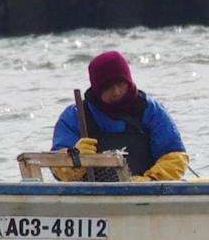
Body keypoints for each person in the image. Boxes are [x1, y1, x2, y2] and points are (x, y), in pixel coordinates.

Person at [51, 50, 189, 182]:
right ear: (97, 90)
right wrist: (75, 157)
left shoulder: (150, 110)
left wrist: (150, 181)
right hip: (90, 195)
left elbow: (175, 157)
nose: (116, 92)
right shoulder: (75, 115)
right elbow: (56, 166)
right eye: (108, 87)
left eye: (120, 84)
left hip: (145, 192)